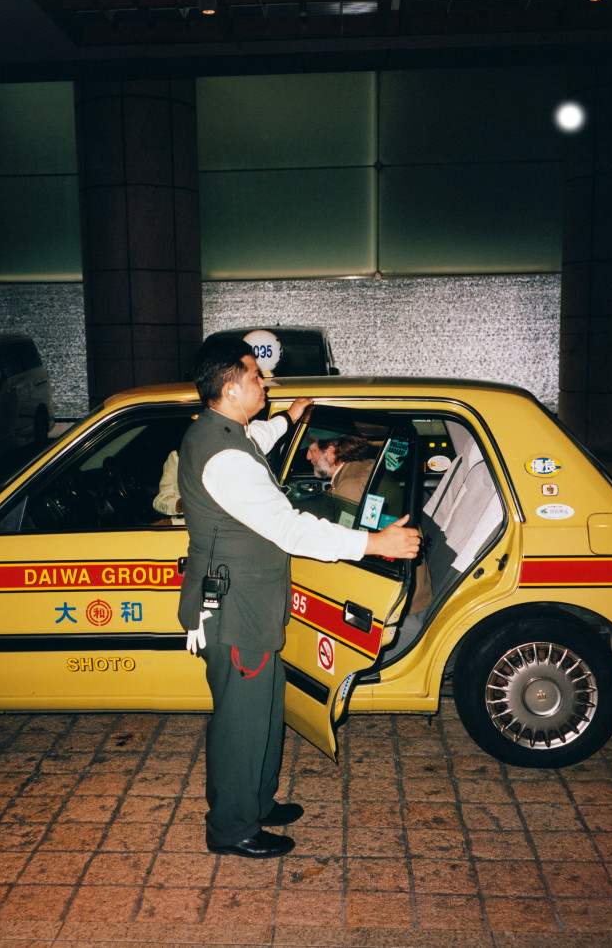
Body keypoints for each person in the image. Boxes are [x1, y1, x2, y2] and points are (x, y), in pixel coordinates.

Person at [177, 334, 421, 860]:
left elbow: (255, 442)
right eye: (255, 377)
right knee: (241, 720)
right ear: (229, 387)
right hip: (237, 608)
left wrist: (288, 418)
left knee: (263, 706)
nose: (262, 382)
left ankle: (256, 803)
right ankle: (231, 827)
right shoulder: (225, 458)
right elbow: (290, 530)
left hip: (249, 603)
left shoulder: (221, 433)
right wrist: (375, 541)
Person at [306, 433, 432, 615]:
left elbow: (344, 545)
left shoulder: (350, 485)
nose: (308, 456)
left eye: (312, 450)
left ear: (331, 453)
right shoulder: (361, 467)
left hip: (399, 598)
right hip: (402, 578)